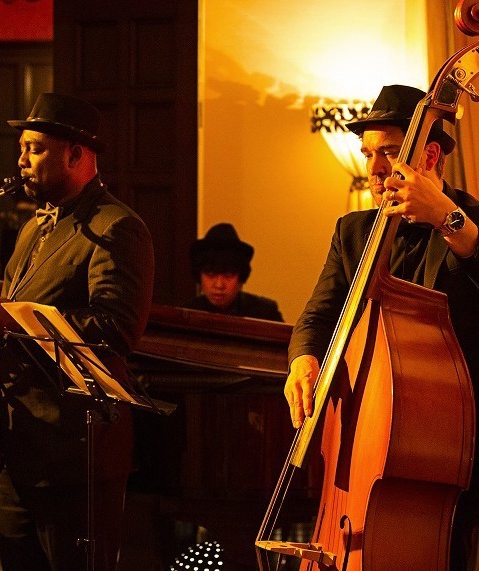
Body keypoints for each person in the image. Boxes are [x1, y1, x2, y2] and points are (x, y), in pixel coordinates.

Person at [284, 84, 479, 570]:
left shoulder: (472, 220)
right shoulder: (353, 232)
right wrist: (303, 359)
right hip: (371, 442)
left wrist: (448, 220)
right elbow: (315, 317)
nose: (373, 169)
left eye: (388, 153)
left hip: (456, 442)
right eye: (368, 153)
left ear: (430, 153)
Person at [0, 93, 155, 571]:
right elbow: (44, 297)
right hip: (17, 451)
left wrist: (11, 314)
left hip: (74, 460)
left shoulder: (117, 227)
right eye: (21, 149)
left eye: (34, 149)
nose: (20, 161)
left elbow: (116, 329)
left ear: (76, 154)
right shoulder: (34, 228)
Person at [185, 222, 283, 321]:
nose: (219, 285)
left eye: (228, 275)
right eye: (211, 274)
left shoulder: (265, 313)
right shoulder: (185, 314)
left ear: (241, 277)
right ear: (199, 275)